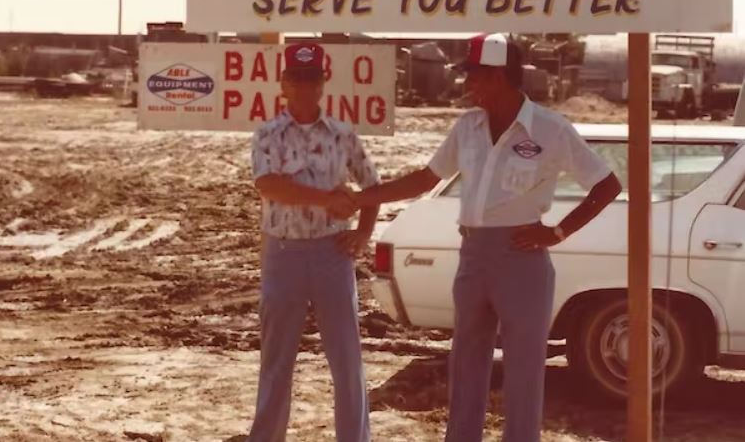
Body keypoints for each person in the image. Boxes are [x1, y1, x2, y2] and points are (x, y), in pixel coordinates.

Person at [346, 33, 622, 442]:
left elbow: (607, 185)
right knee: (467, 363)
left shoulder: (550, 129)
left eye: (473, 75)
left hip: (521, 259)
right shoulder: (467, 127)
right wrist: (362, 198)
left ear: (497, 76)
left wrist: (557, 232)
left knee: (524, 369)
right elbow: (427, 177)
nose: (467, 85)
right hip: (473, 255)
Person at [247, 42, 380, 442]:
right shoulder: (268, 133)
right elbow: (268, 185)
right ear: (283, 83)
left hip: (331, 254)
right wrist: (326, 198)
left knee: (346, 360)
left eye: (312, 78)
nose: (304, 86)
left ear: (323, 83)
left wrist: (363, 233)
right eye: (296, 78)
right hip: (283, 254)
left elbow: (371, 185)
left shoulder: (342, 135)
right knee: (276, 360)